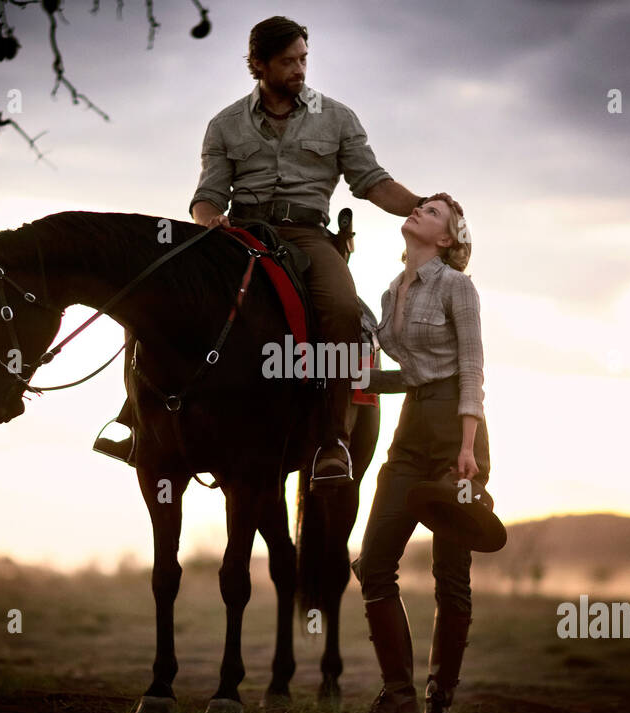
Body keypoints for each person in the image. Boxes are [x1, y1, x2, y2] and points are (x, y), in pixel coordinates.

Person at [93, 15, 443, 493]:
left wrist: (423, 205)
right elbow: (207, 195)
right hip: (239, 234)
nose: (299, 69)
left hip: (308, 236)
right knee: (158, 295)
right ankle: (135, 422)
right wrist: (209, 218)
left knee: (342, 310)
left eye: (303, 58)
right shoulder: (225, 124)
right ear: (258, 64)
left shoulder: (337, 117)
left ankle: (331, 441)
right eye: (287, 61)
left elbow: (372, 183)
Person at [341, 193, 489, 713]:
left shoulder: (457, 287)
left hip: (457, 435)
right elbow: (407, 373)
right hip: (410, 433)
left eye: (431, 213)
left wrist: (467, 447)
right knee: (374, 563)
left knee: (451, 575)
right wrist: (351, 378)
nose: (418, 212)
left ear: (446, 239)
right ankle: (398, 698)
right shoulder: (390, 292)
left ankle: (439, 703)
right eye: (419, 207)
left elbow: (471, 369)